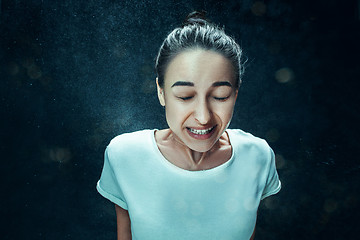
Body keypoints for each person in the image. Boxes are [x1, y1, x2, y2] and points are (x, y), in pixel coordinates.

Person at [96, 11, 281, 240]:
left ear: (236, 93)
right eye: (185, 96)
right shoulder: (124, 155)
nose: (203, 117)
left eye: (221, 95)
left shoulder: (257, 156)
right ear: (161, 92)